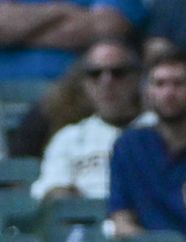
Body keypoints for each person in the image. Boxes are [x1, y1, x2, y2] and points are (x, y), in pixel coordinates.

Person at [109, 48, 186, 239]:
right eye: (159, 84)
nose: (169, 93)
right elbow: (121, 218)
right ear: (147, 92)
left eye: (178, 84)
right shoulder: (128, 146)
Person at [29, 39, 142, 202]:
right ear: (85, 83)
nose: (106, 81)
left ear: (136, 78)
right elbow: (51, 189)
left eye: (118, 73)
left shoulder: (157, 129)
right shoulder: (69, 137)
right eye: (95, 74)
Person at [0, 0, 147, 80]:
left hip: (80, 91)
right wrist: (62, 11)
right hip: (6, 91)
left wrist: (20, 32)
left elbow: (106, 28)